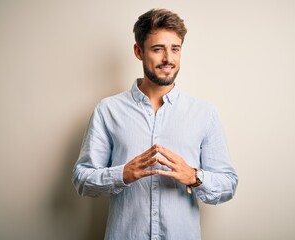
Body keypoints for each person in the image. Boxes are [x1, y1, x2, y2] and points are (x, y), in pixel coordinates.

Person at [73, 8, 238, 240]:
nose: (168, 59)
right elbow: (82, 179)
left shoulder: (204, 113)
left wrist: (193, 176)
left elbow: (228, 184)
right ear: (139, 51)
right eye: (158, 49)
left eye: (175, 49)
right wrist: (123, 174)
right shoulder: (107, 110)